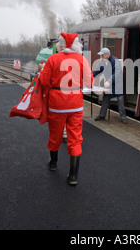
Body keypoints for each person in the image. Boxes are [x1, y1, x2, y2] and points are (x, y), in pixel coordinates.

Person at [38, 32, 94, 186]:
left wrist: (42, 69)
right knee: (75, 138)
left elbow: (43, 81)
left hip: (57, 104)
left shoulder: (53, 59)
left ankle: (53, 163)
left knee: (55, 135)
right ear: (77, 45)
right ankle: (73, 176)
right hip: (75, 104)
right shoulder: (82, 60)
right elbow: (89, 83)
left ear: (60, 45)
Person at [93, 48, 127, 124]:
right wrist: (91, 76)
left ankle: (123, 117)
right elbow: (98, 70)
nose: (101, 56)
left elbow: (117, 73)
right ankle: (102, 115)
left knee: (120, 100)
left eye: (102, 55)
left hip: (118, 84)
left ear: (107, 54)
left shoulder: (115, 61)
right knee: (106, 98)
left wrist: (109, 81)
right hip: (110, 84)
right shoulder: (103, 61)